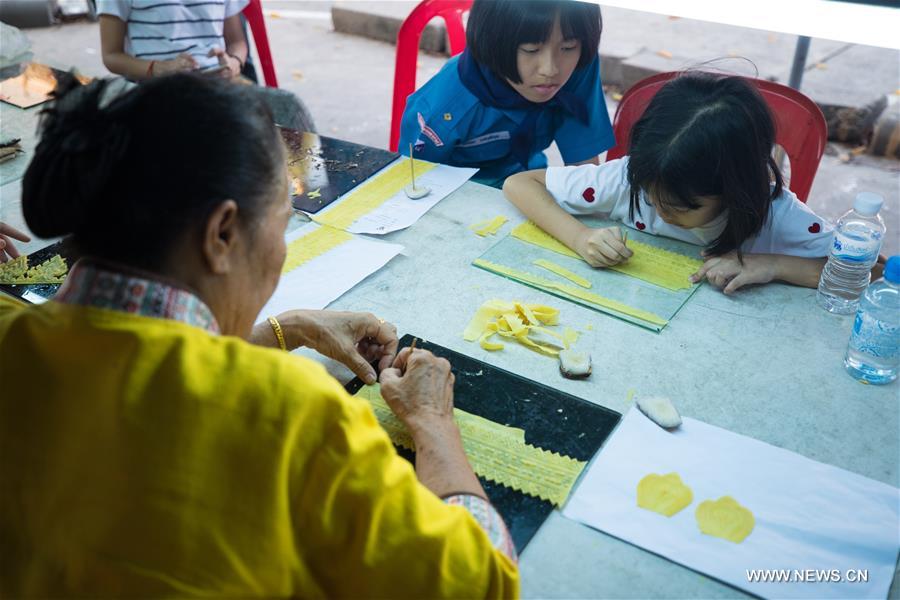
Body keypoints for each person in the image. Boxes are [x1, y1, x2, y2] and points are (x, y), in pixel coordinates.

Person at [0, 74, 518, 597]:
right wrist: (432, 422)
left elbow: (138, 363)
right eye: (281, 224)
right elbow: (479, 583)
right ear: (222, 234)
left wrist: (285, 329)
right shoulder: (289, 415)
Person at [504, 72, 837, 294]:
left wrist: (771, 265)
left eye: (679, 207)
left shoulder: (774, 214)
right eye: (651, 197)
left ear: (734, 190)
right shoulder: (630, 178)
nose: (661, 211)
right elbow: (519, 184)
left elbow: (859, 273)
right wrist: (580, 237)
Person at [399, 0, 614, 187]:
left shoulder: (577, 67)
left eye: (568, 47)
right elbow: (414, 184)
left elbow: (583, 172)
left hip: (528, 181)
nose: (550, 70)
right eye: (531, 49)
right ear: (492, 42)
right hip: (457, 192)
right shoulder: (444, 111)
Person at [98, 0, 248, 80]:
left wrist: (234, 62)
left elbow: (237, 42)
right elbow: (111, 55)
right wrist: (158, 68)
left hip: (217, 88)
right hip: (154, 93)